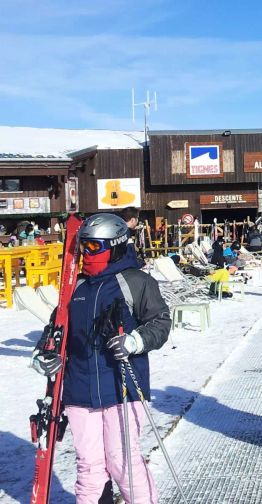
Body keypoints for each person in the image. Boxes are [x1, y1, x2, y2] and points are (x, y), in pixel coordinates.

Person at [31, 213, 170, 504]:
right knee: (89, 467)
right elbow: (54, 332)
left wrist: (135, 341)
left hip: (121, 386)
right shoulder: (75, 287)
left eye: (94, 247)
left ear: (115, 245)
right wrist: (44, 355)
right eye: (83, 247)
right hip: (79, 389)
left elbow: (159, 322)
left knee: (123, 462)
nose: (86, 254)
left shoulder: (136, 281)